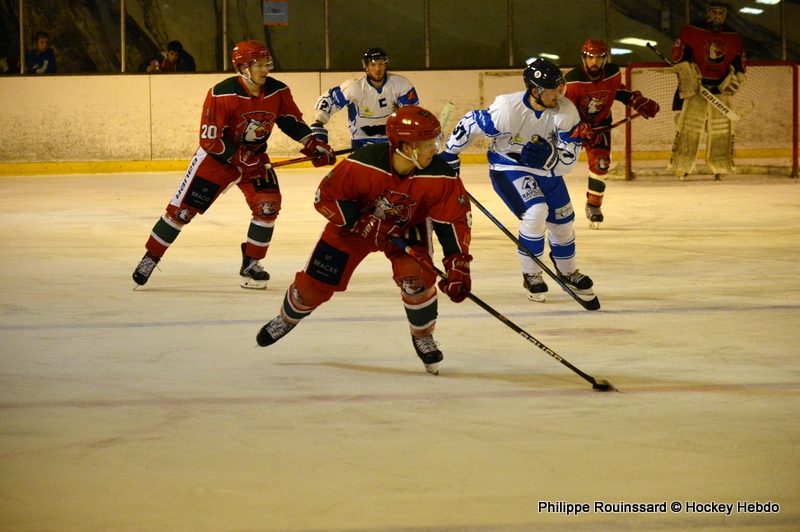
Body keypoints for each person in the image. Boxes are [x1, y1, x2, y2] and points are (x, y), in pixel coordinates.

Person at [255, 106, 473, 376]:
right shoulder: (364, 162)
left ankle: (423, 335)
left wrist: (457, 263)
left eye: (434, 142)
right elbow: (324, 197)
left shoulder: (441, 175)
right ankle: (287, 318)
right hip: (355, 227)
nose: (435, 150)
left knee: (415, 278)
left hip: (405, 228)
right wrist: (358, 221)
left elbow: (453, 221)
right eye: (427, 144)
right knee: (312, 288)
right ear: (406, 146)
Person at [132, 40, 336, 289]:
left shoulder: (278, 91)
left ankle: (252, 263)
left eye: (266, 63)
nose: (265, 69)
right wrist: (239, 157)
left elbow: (291, 121)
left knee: (268, 205)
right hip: (217, 160)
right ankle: (150, 258)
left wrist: (313, 143)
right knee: (182, 212)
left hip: (256, 159)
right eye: (258, 64)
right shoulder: (222, 93)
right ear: (241, 67)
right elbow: (209, 139)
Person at [440, 58, 594, 304]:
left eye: (560, 86)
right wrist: (449, 154)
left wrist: (552, 158)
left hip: (548, 172)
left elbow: (568, 163)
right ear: (536, 91)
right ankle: (532, 274)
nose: (560, 93)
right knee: (536, 212)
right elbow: (470, 122)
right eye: (554, 89)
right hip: (509, 166)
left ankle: (568, 272)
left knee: (563, 224)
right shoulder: (507, 110)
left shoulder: (566, 111)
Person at [564, 39, 660, 229]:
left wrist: (637, 100)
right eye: (591, 58)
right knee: (554, 166)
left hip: (600, 126)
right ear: (583, 58)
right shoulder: (573, 81)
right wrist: (580, 129)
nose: (595, 63)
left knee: (601, 165)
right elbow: (565, 112)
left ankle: (593, 206)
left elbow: (618, 91)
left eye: (599, 58)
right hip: (572, 130)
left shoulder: (612, 73)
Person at [669, 1, 746, 178]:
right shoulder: (692, 30)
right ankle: (682, 164)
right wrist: (686, 73)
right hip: (697, 88)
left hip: (721, 89)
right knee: (689, 127)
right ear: (707, 13)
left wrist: (738, 75)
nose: (717, 16)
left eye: (721, 13)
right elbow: (679, 55)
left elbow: (738, 61)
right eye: (714, 12)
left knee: (722, 129)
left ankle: (720, 164)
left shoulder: (732, 36)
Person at [310, 47, 420, 149]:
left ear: (386, 65)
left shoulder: (401, 84)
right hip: (361, 139)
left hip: (392, 138)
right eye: (373, 65)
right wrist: (318, 123)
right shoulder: (354, 87)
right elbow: (329, 100)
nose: (378, 69)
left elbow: (411, 113)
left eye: (381, 64)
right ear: (366, 68)